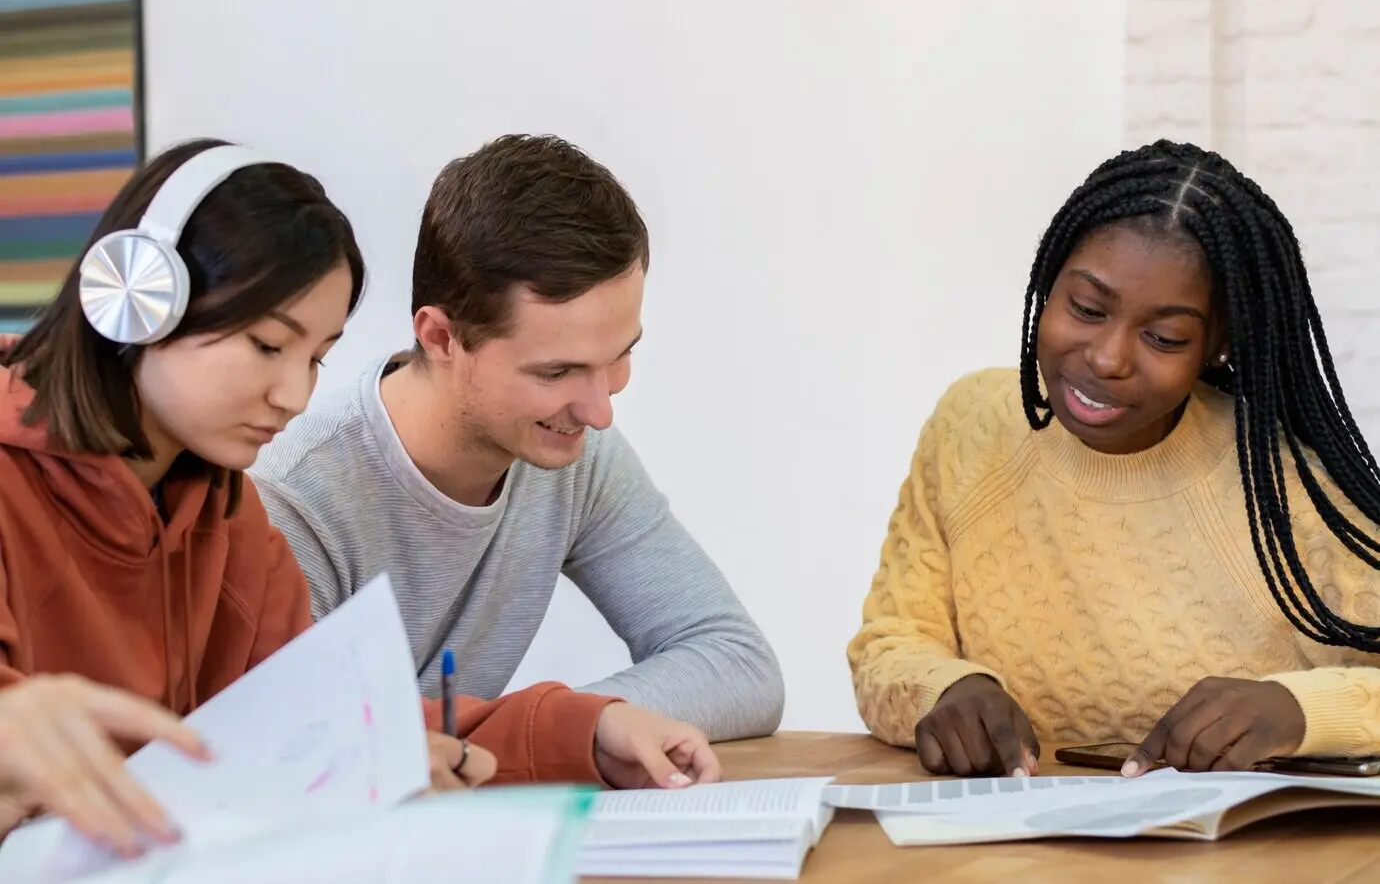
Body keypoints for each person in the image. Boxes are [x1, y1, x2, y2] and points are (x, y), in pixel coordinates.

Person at [0, 139, 716, 856]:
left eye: (315, 357)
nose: (293, 395)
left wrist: (585, 729)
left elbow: (320, 725)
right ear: (135, 299)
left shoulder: (227, 514)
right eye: (267, 345)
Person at [847, 139, 1380, 779]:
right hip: (1014, 834)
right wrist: (946, 688)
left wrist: (1297, 711)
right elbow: (891, 640)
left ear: (1217, 344)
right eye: (1086, 308)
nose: (1107, 358)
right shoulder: (970, 427)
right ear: (1048, 284)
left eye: (1164, 337)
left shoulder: (1289, 485)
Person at [249, 133, 784, 742]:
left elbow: (738, 665)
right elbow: (302, 750)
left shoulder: (578, 460)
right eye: (556, 373)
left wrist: (583, 725)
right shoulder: (292, 502)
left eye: (619, 356)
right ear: (442, 338)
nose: (599, 412)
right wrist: (554, 731)